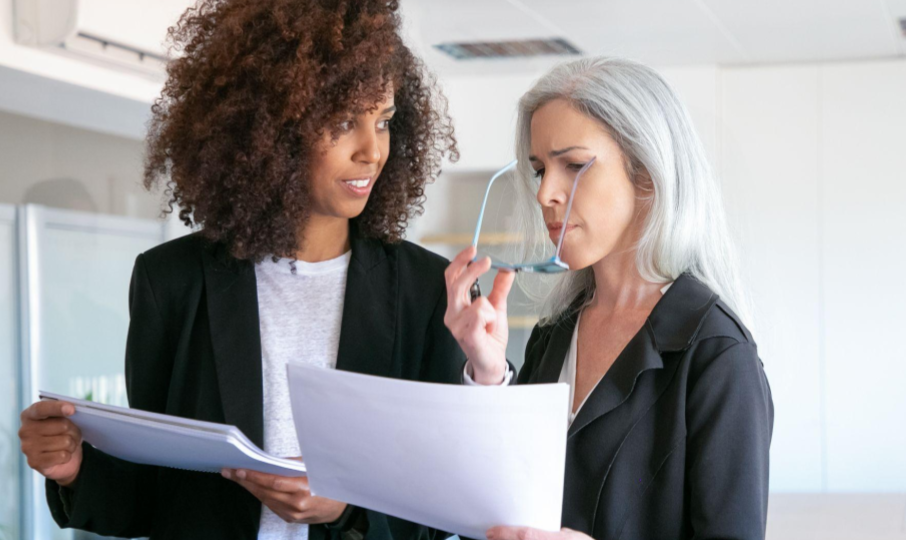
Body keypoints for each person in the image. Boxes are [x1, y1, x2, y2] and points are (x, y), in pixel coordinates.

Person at [18, 1, 462, 538]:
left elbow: (448, 503)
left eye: (385, 121)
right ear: (273, 125)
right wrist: (74, 471)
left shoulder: (426, 292)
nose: (373, 150)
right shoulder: (172, 282)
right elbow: (159, 490)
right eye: (344, 121)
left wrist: (347, 509)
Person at [444, 57, 774, 540]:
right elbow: (510, 494)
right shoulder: (554, 333)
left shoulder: (718, 356)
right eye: (539, 170)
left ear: (646, 174)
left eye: (574, 166)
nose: (545, 195)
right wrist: (489, 375)